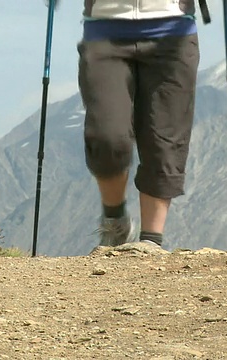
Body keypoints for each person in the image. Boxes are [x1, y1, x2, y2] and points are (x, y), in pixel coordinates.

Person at [77, 0, 202, 249]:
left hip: (173, 31)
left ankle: (150, 243)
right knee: (106, 137)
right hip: (105, 29)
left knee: (165, 141)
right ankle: (115, 223)